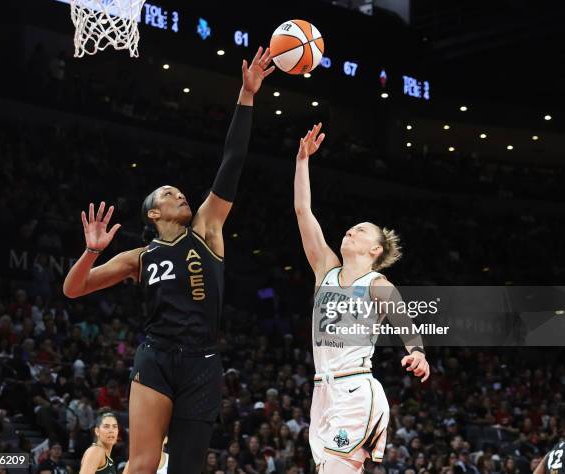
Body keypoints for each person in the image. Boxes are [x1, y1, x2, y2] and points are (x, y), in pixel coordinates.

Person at [63, 47, 274, 474]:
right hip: (155, 355)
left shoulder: (207, 230)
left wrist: (247, 96)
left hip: (202, 361)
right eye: (167, 194)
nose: (179, 194)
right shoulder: (138, 256)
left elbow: (231, 163)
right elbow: (73, 289)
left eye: (180, 191)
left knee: (185, 468)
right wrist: (90, 252)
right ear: (153, 213)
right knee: (140, 464)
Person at [292, 124, 431, 473]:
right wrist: (302, 161)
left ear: (375, 249)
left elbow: (404, 320)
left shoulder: (376, 283)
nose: (351, 230)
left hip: (355, 388)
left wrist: (417, 353)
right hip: (322, 391)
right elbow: (303, 213)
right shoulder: (325, 269)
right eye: (351, 227)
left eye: (362, 230)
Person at [79, 409, 118, 474]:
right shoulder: (96, 450)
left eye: (114, 426)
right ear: (97, 431)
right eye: (106, 426)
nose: (111, 430)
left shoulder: (107, 458)